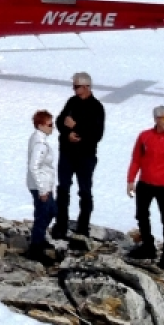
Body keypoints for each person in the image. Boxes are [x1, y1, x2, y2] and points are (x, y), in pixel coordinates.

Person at [127, 105, 164, 270]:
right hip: (145, 183)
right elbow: (136, 159)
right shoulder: (144, 137)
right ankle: (148, 246)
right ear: (157, 119)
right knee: (141, 215)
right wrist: (131, 179)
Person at [51, 71, 105, 239]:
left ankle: (83, 227)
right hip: (67, 152)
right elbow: (60, 121)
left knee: (85, 191)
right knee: (63, 189)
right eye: (73, 86)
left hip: (85, 155)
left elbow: (96, 134)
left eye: (76, 86)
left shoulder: (96, 107)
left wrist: (77, 127)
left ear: (86, 87)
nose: (74, 89)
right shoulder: (72, 102)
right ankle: (61, 224)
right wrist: (68, 133)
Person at [25, 109, 57, 264]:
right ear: (40, 125)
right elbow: (34, 166)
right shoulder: (40, 143)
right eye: (50, 124)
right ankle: (35, 248)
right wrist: (42, 189)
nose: (53, 127)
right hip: (41, 186)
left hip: (44, 185)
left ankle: (39, 238)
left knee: (51, 210)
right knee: (42, 214)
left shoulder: (39, 139)